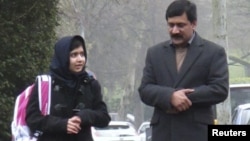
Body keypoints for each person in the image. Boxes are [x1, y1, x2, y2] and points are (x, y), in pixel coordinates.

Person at [138, 0, 229, 141]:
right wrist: (170, 97)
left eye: (180, 25)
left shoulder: (213, 52)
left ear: (194, 24)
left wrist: (184, 98)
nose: (174, 31)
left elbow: (219, 89)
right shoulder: (154, 53)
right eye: (171, 25)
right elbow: (145, 90)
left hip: (197, 134)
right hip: (163, 133)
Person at [26, 35, 111, 141]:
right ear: (63, 57)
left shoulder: (90, 84)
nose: (80, 59)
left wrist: (84, 116)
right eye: (74, 55)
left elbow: (104, 117)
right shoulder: (46, 84)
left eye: (82, 54)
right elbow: (32, 119)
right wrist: (62, 124)